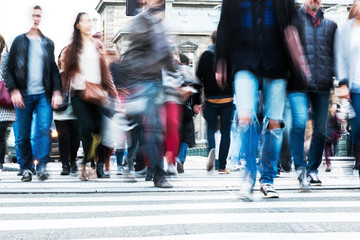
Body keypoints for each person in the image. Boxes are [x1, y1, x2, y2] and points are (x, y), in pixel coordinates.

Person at [216, 0, 301, 199]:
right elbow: (225, 24)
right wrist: (220, 60)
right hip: (244, 61)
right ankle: (248, 175)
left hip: (277, 62)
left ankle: (268, 179)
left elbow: (294, 19)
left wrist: (294, 34)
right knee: (244, 118)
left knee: (274, 124)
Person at [116, 0, 176, 188]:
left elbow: (165, 54)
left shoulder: (159, 23)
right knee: (152, 128)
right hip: (143, 80)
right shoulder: (141, 20)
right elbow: (135, 52)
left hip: (156, 81)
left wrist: (174, 75)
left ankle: (148, 168)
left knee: (152, 129)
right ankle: (156, 172)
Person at [5, 5, 62, 182]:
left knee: (43, 130)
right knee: (22, 135)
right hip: (22, 94)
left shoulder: (48, 43)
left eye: (39, 15)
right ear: (27, 17)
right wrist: (13, 90)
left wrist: (57, 91)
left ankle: (42, 166)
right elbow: (8, 69)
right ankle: (27, 168)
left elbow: (53, 69)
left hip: (43, 95)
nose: (36, 18)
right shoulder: (18, 41)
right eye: (33, 15)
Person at [62, 12, 118, 181]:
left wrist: (113, 92)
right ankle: (88, 164)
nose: (89, 23)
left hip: (98, 92)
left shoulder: (97, 44)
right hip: (79, 93)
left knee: (99, 130)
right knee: (86, 128)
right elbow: (66, 73)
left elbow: (105, 70)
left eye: (90, 21)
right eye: (85, 21)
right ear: (77, 25)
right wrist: (61, 93)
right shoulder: (72, 48)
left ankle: (99, 165)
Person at [287, 0, 337, 187]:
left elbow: (334, 55)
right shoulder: (294, 21)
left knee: (321, 131)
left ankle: (312, 169)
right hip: (298, 84)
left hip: (323, 84)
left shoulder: (331, 26)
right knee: (299, 124)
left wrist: (337, 81)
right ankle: (300, 167)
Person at [196, 30, 234, 174]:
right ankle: (222, 165)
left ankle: (211, 151)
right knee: (226, 132)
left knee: (210, 129)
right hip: (228, 99)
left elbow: (198, 78)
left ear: (211, 41)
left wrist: (197, 100)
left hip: (210, 99)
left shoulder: (205, 56)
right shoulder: (230, 56)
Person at [336, 0, 360, 176]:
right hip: (355, 86)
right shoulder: (347, 29)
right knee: (357, 127)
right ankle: (358, 159)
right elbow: (340, 57)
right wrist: (342, 84)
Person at [53, 47, 80, 176]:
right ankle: (65, 164)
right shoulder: (56, 74)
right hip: (60, 111)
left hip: (75, 112)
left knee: (75, 138)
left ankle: (73, 160)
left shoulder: (77, 74)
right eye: (63, 54)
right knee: (63, 137)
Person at [0, 34, 16, 179]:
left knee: (1, 138)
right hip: (5, 106)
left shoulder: (5, 60)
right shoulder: (8, 59)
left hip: (4, 106)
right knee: (1, 138)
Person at [324, 102, 341, 172]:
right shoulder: (335, 114)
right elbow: (338, 125)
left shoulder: (326, 113)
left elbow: (338, 125)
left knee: (327, 148)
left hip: (328, 133)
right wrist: (339, 133)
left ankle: (328, 162)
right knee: (329, 148)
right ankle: (329, 161)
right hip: (331, 134)